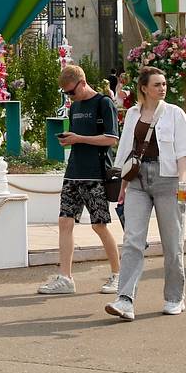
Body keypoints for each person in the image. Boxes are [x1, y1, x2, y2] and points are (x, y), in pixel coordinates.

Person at [104, 66, 186, 321]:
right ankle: (125, 300)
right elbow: (125, 149)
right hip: (138, 180)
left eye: (164, 84)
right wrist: (122, 185)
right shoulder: (133, 114)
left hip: (168, 180)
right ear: (144, 88)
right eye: (157, 84)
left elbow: (184, 150)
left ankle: (174, 297)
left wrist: (183, 181)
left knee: (172, 242)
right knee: (133, 240)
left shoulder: (175, 113)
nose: (162, 88)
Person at [38, 64, 121, 296]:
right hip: (73, 172)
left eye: (71, 92)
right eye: (66, 93)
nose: (70, 96)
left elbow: (111, 139)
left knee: (99, 225)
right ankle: (66, 277)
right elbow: (80, 138)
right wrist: (70, 140)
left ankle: (118, 274)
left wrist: (79, 138)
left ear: (82, 83)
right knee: (65, 222)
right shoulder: (75, 108)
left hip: (95, 174)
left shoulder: (104, 103)